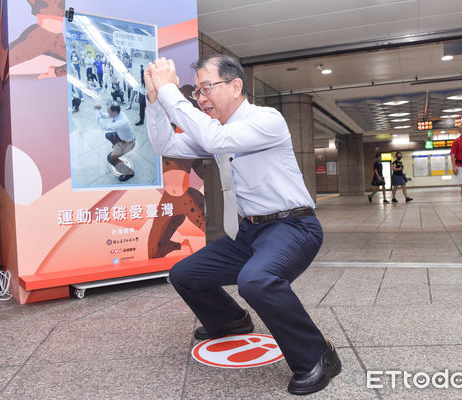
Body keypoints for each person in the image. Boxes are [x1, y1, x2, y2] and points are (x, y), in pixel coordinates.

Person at [144, 54, 341, 395]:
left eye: (207, 88)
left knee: (257, 281)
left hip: (293, 227)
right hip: (249, 232)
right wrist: (155, 102)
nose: (201, 97)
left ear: (235, 86)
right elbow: (165, 144)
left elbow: (215, 141)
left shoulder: (267, 120)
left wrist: (168, 90)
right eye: (198, 92)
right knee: (185, 275)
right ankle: (230, 320)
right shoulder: (217, 130)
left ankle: (318, 355)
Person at [94, 101, 135, 182]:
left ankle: (129, 173)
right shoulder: (119, 113)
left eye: (109, 111)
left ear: (115, 112)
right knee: (108, 135)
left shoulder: (121, 122)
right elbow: (106, 115)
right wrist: (98, 111)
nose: (107, 113)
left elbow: (103, 126)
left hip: (128, 143)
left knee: (110, 158)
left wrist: (96, 110)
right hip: (121, 136)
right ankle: (117, 147)